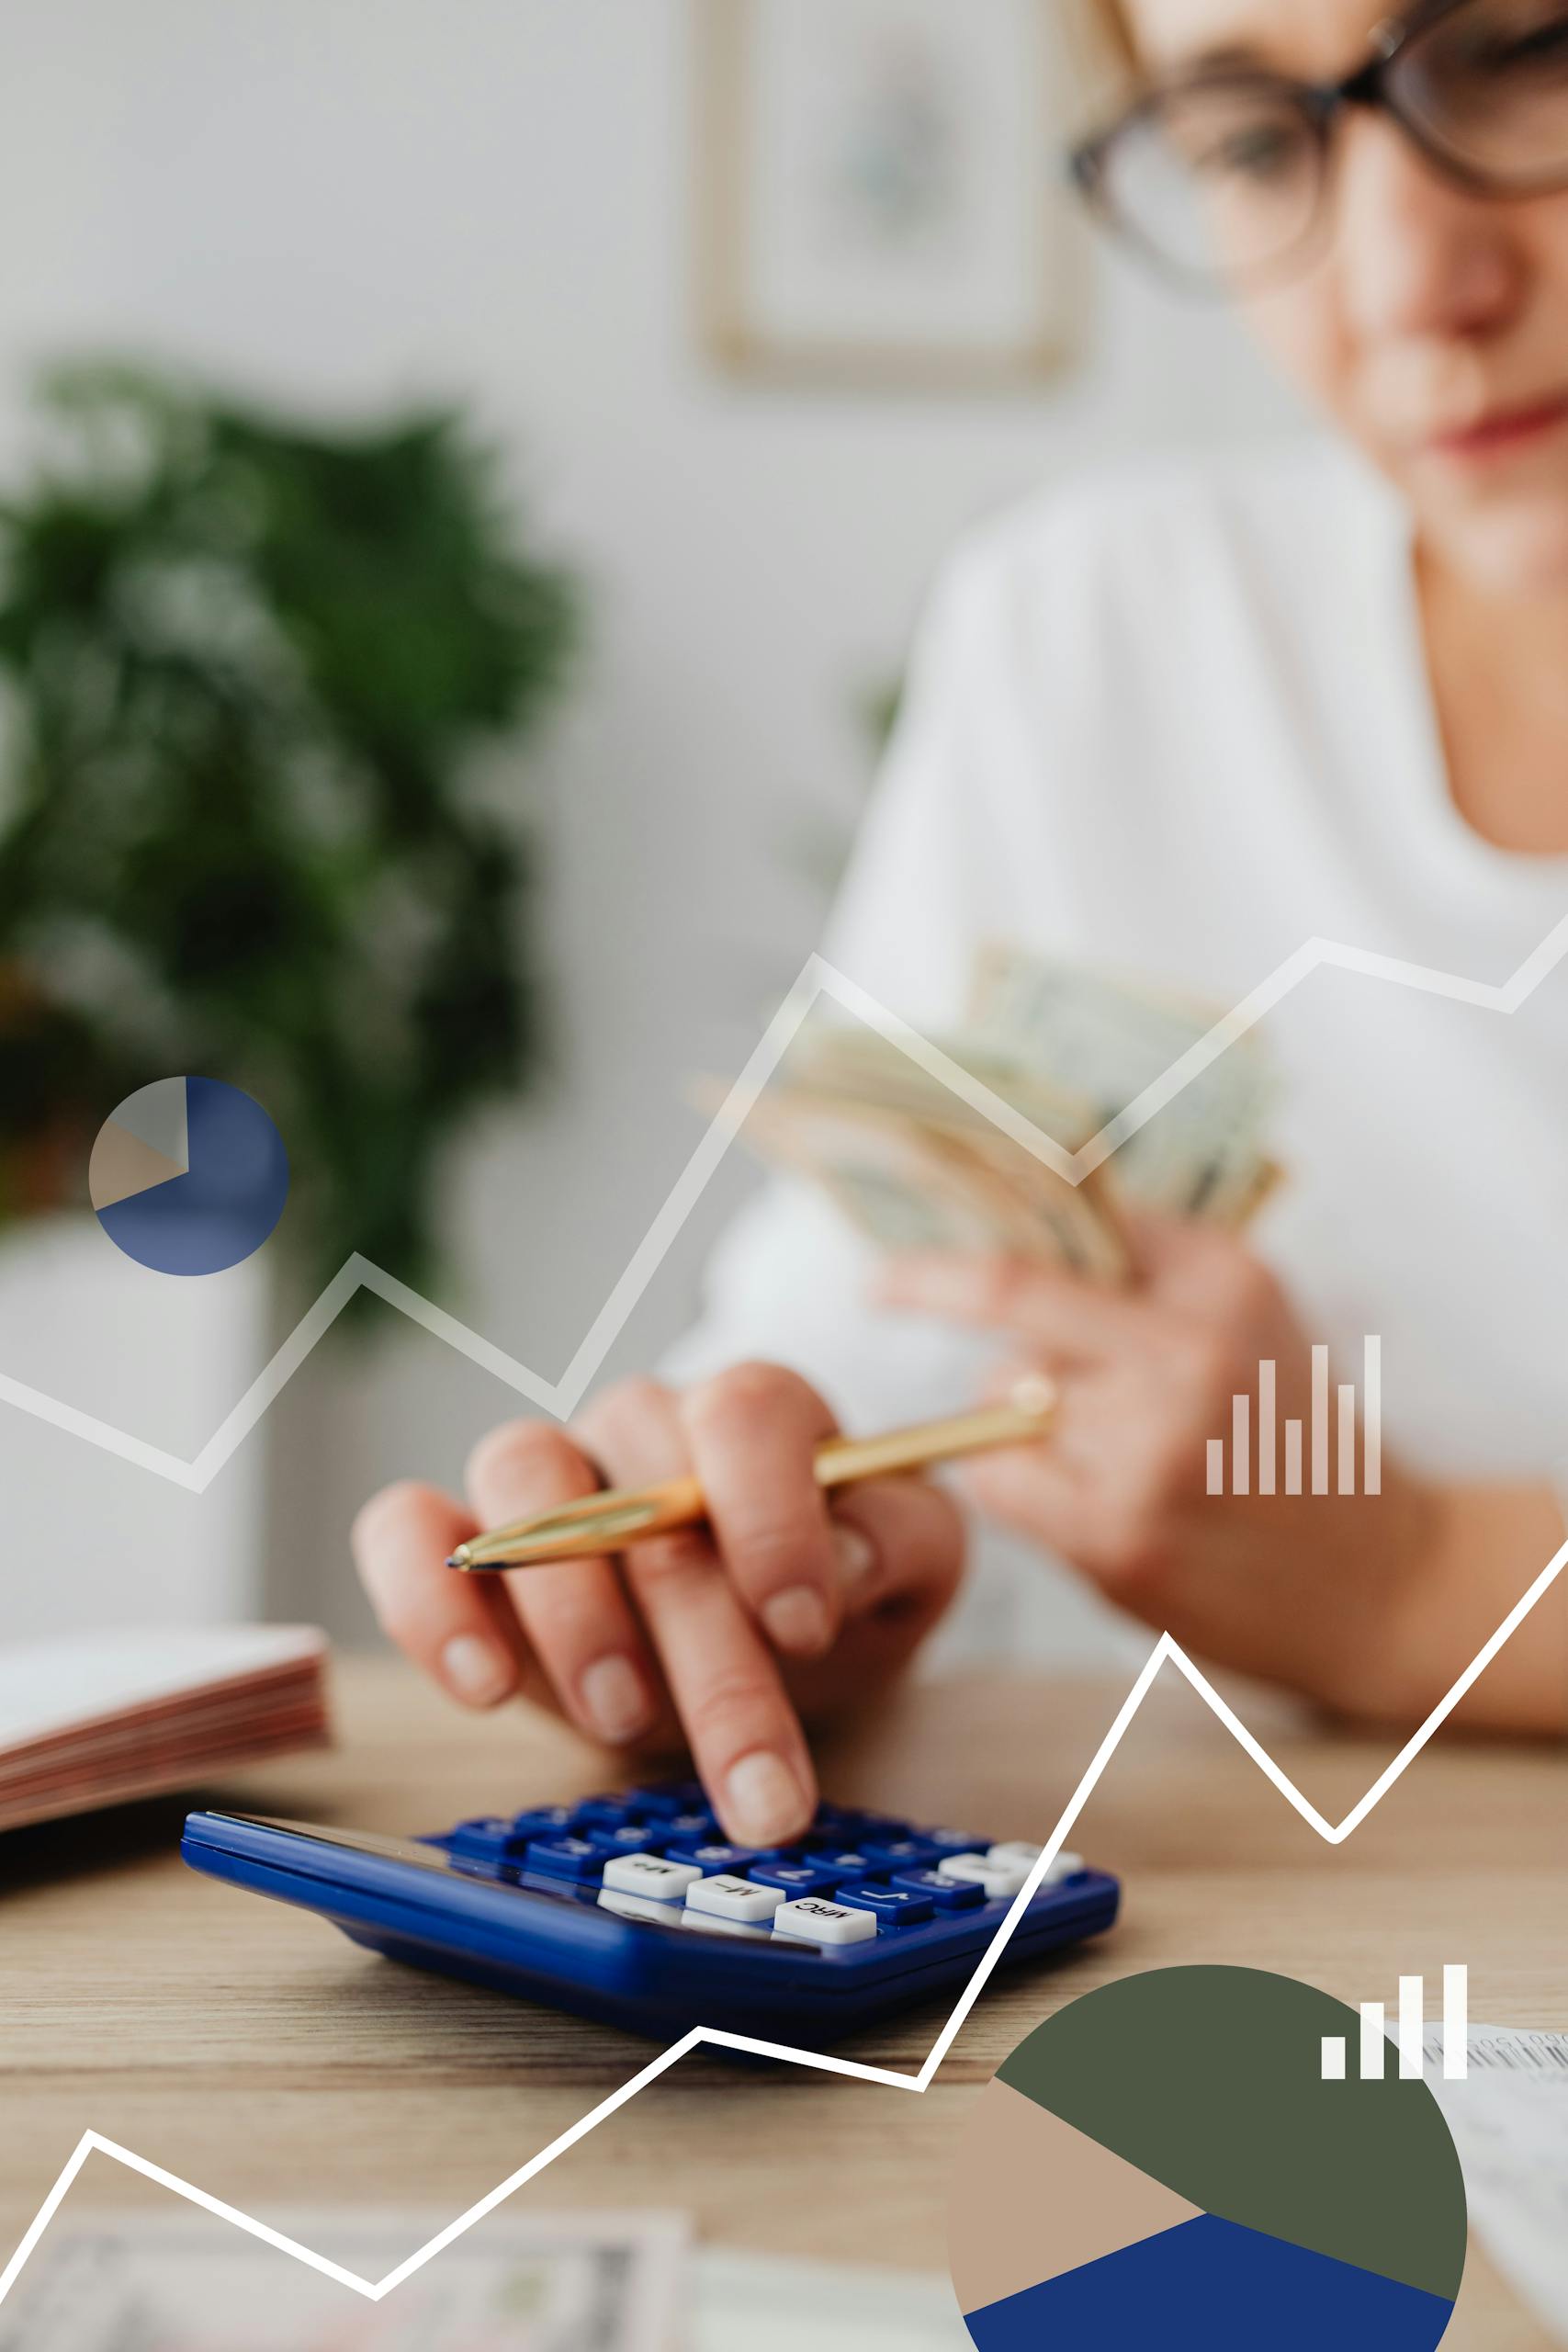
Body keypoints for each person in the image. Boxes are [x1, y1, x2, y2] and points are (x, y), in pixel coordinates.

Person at [353, 0, 1568, 1852]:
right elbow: (876, 1342)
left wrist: (1413, 1581)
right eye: (1253, 142)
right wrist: (792, 1547)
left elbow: (1388, 1580)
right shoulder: (1095, 630)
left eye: (1527, 50)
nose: (1412, 283)